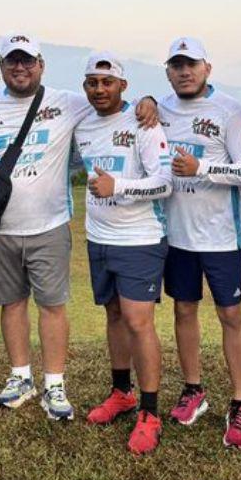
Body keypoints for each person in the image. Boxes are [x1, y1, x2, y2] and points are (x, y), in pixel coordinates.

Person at [0, 33, 158, 421]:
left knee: (52, 305)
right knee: (11, 303)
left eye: (27, 61)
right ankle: (20, 377)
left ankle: (54, 383)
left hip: (49, 225)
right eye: (12, 61)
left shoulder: (68, 103)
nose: (20, 67)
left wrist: (150, 102)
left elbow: (113, 102)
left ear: (41, 65)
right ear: (1, 67)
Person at [158, 36, 241, 448]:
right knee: (184, 309)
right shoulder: (160, 109)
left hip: (221, 237)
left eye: (191, 65)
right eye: (177, 66)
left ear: (207, 69)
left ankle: (239, 403)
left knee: (230, 315)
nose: (184, 72)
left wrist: (203, 167)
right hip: (176, 235)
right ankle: (193, 389)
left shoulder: (231, 111)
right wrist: (145, 100)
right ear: (168, 71)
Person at [74, 52, 172, 455]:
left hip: (139, 238)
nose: (100, 89)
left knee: (137, 320)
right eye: (93, 83)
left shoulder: (143, 122)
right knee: (113, 313)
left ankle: (150, 412)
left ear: (123, 86)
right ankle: (122, 394)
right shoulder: (82, 125)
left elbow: (164, 182)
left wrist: (121, 188)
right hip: (99, 237)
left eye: (107, 82)